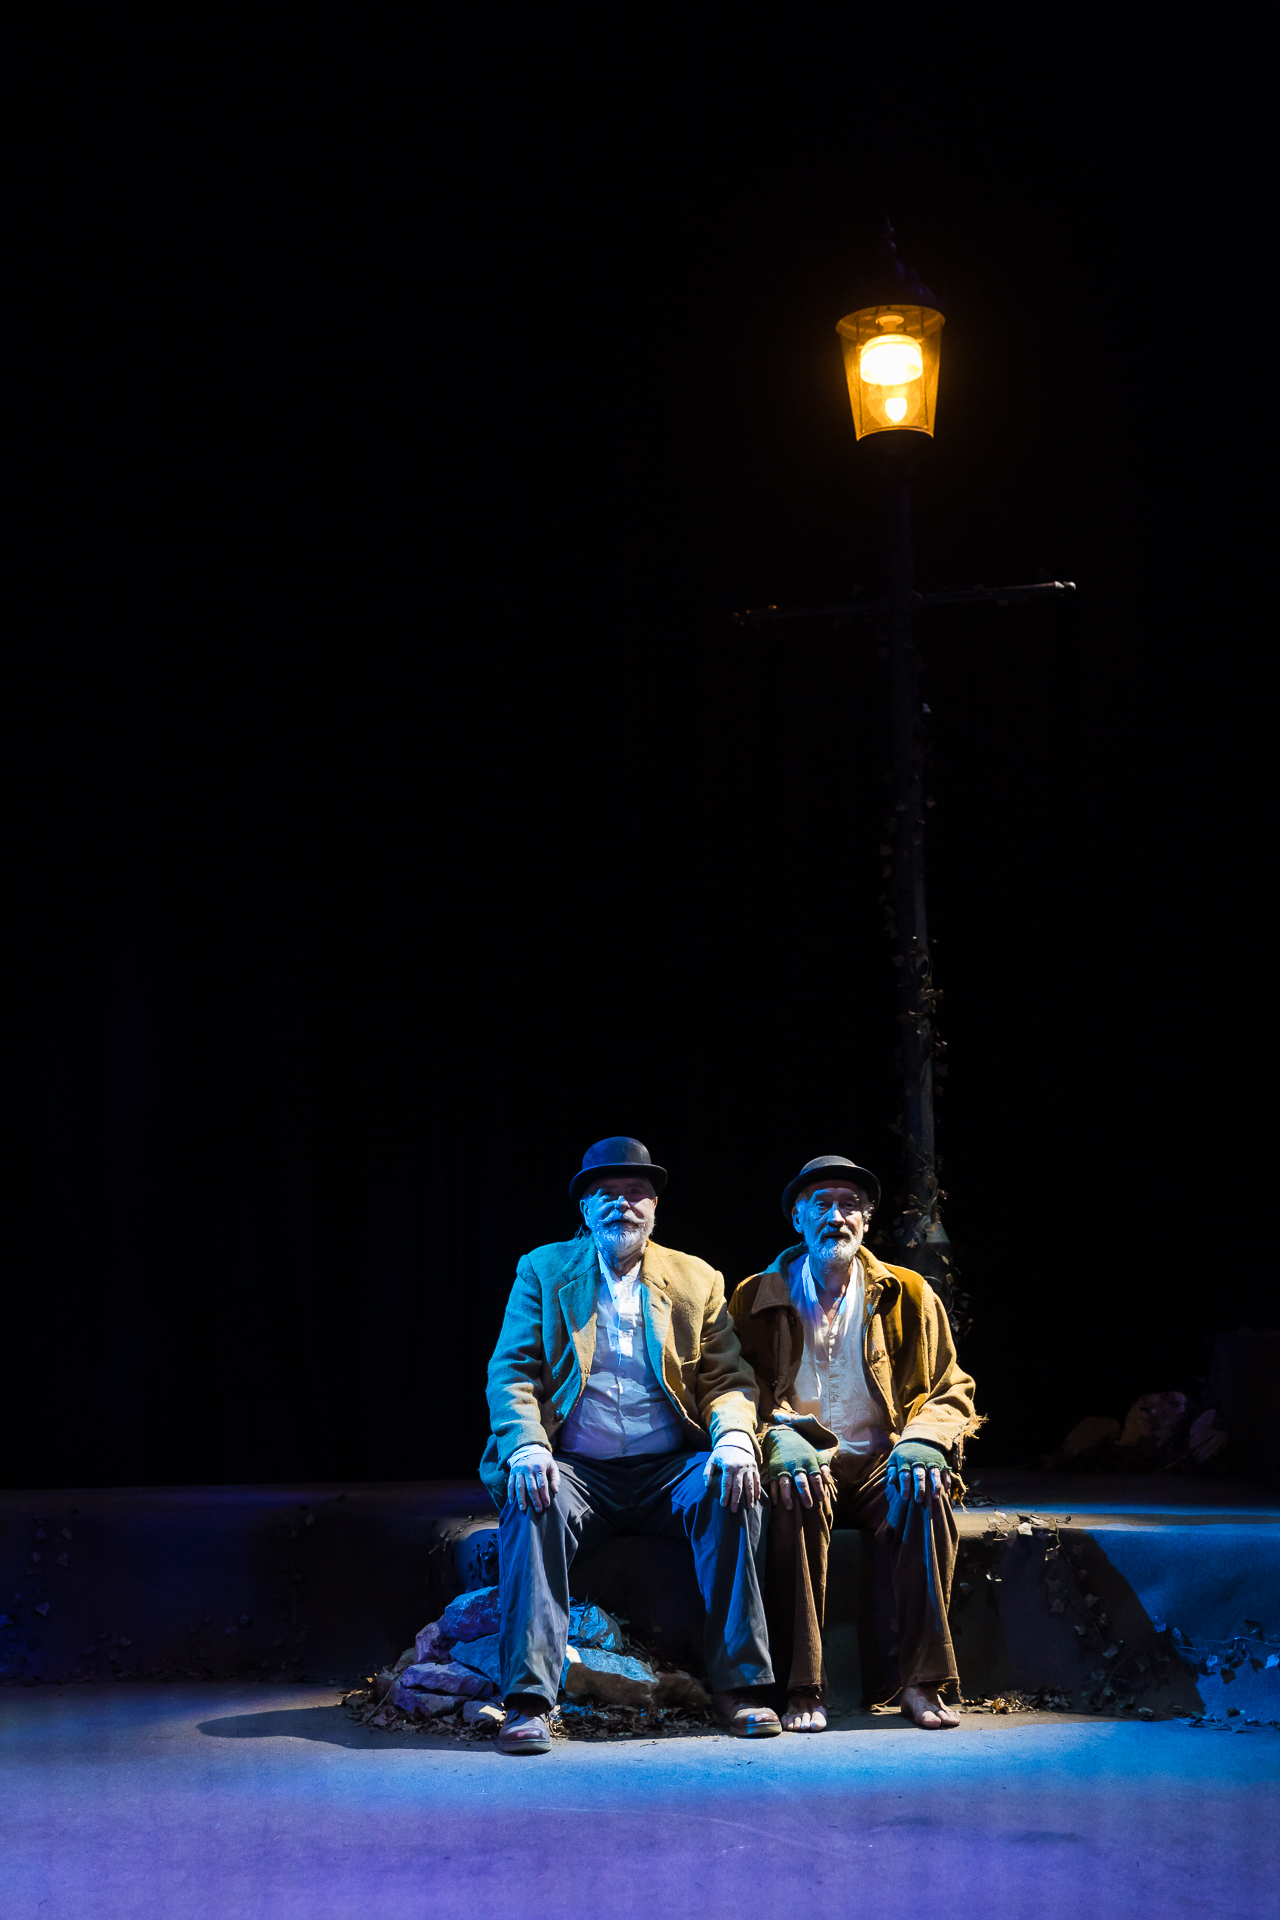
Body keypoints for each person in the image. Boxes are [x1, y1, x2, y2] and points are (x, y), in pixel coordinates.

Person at [481, 1135, 780, 1754]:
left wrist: (733, 1438)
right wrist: (527, 1446)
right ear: (585, 1208)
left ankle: (741, 1687)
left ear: (654, 1206)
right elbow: (512, 1373)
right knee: (532, 1499)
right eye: (607, 1194)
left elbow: (727, 1379)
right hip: (578, 1466)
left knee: (733, 1489)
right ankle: (529, 1701)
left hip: (669, 1467)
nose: (622, 1204)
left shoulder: (696, 1278)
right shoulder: (543, 1270)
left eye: (635, 1193)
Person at [729, 1154, 981, 1732]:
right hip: (805, 1457)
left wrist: (924, 1440)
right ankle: (803, 1687)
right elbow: (736, 1387)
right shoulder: (755, 1296)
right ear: (798, 1217)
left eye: (850, 1206)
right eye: (821, 1204)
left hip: (879, 1462)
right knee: (792, 1494)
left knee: (925, 1491)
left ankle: (922, 1682)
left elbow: (951, 1386)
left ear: (867, 1220)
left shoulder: (908, 1293)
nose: (836, 1217)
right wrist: (774, 1438)